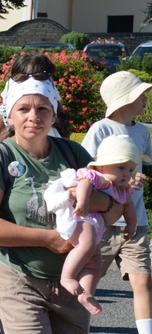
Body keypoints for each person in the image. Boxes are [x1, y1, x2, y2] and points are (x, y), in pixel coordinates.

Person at [0, 71, 121, 334]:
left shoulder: (73, 152)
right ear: (9, 114)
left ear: (54, 113)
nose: (33, 116)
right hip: (20, 277)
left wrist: (99, 203)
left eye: (42, 108)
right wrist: (48, 239)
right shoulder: (0, 156)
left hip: (72, 286)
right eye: (23, 109)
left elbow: (111, 209)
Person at [81, 71, 152, 334]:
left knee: (143, 281)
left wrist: (139, 177)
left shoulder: (144, 132)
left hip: (136, 223)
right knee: (89, 283)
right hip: (104, 221)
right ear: (124, 99)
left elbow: (143, 166)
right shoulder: (100, 129)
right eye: (140, 94)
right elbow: (84, 168)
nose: (146, 98)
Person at [45, 134, 142, 315]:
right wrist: (82, 202)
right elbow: (84, 184)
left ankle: (86, 293)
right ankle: (67, 277)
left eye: (130, 170)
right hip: (83, 219)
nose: (126, 174)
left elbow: (128, 204)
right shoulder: (97, 177)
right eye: (121, 167)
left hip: (96, 226)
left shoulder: (121, 188)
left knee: (95, 262)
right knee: (86, 245)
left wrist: (131, 225)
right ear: (102, 165)